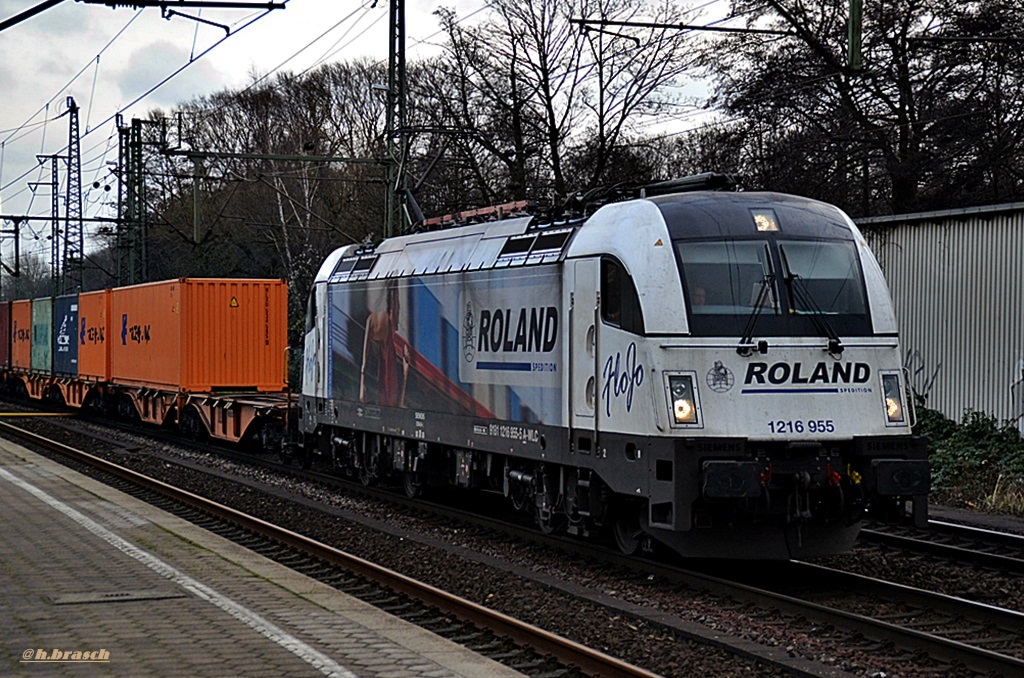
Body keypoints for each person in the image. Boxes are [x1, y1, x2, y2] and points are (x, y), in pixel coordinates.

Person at [359, 280, 410, 407]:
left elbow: (365, 356)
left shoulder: (372, 321)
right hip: (387, 363)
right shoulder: (388, 323)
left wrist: (362, 383)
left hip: (384, 364)